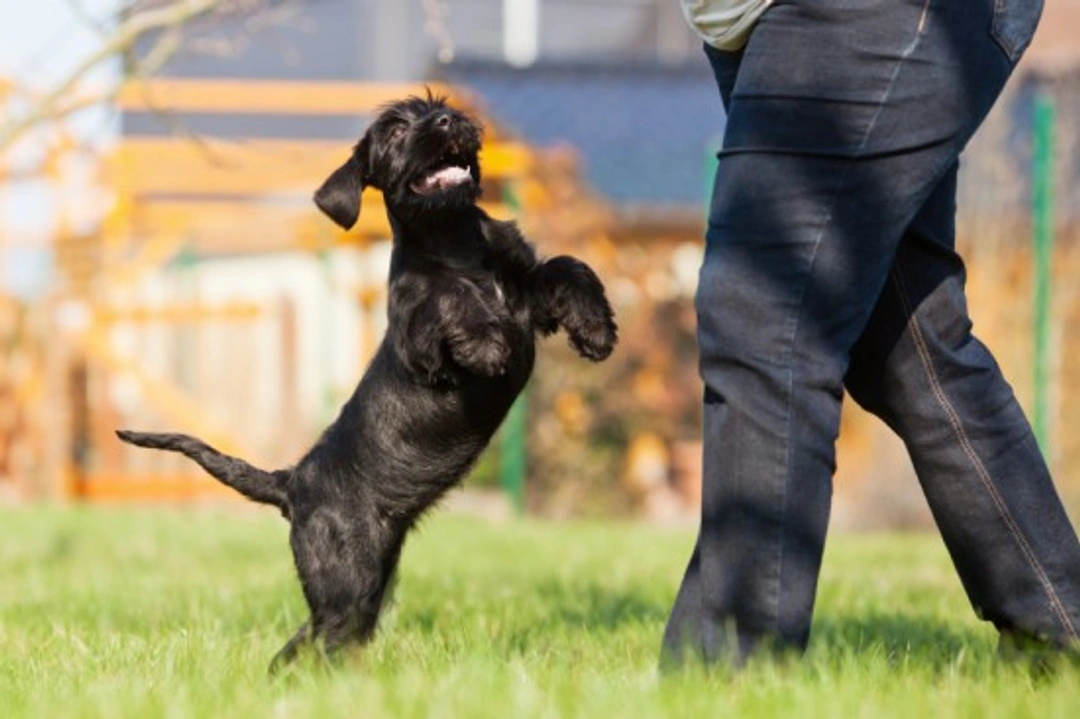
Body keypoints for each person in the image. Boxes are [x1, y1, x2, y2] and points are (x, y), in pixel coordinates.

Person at [663, 0, 1080, 667]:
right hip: (756, 24)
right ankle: (1061, 632)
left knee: (766, 309)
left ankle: (728, 678)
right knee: (905, 344)